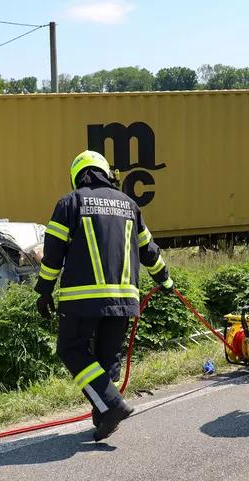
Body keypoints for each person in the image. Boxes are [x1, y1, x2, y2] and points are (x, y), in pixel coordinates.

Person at [35, 150, 173, 441]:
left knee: (71, 349)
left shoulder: (70, 203)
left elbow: (53, 255)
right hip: (124, 300)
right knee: (107, 357)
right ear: (106, 173)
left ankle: (111, 406)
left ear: (77, 176)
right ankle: (105, 417)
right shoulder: (129, 205)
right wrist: (165, 279)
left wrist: (44, 291)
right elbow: (148, 250)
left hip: (82, 299)